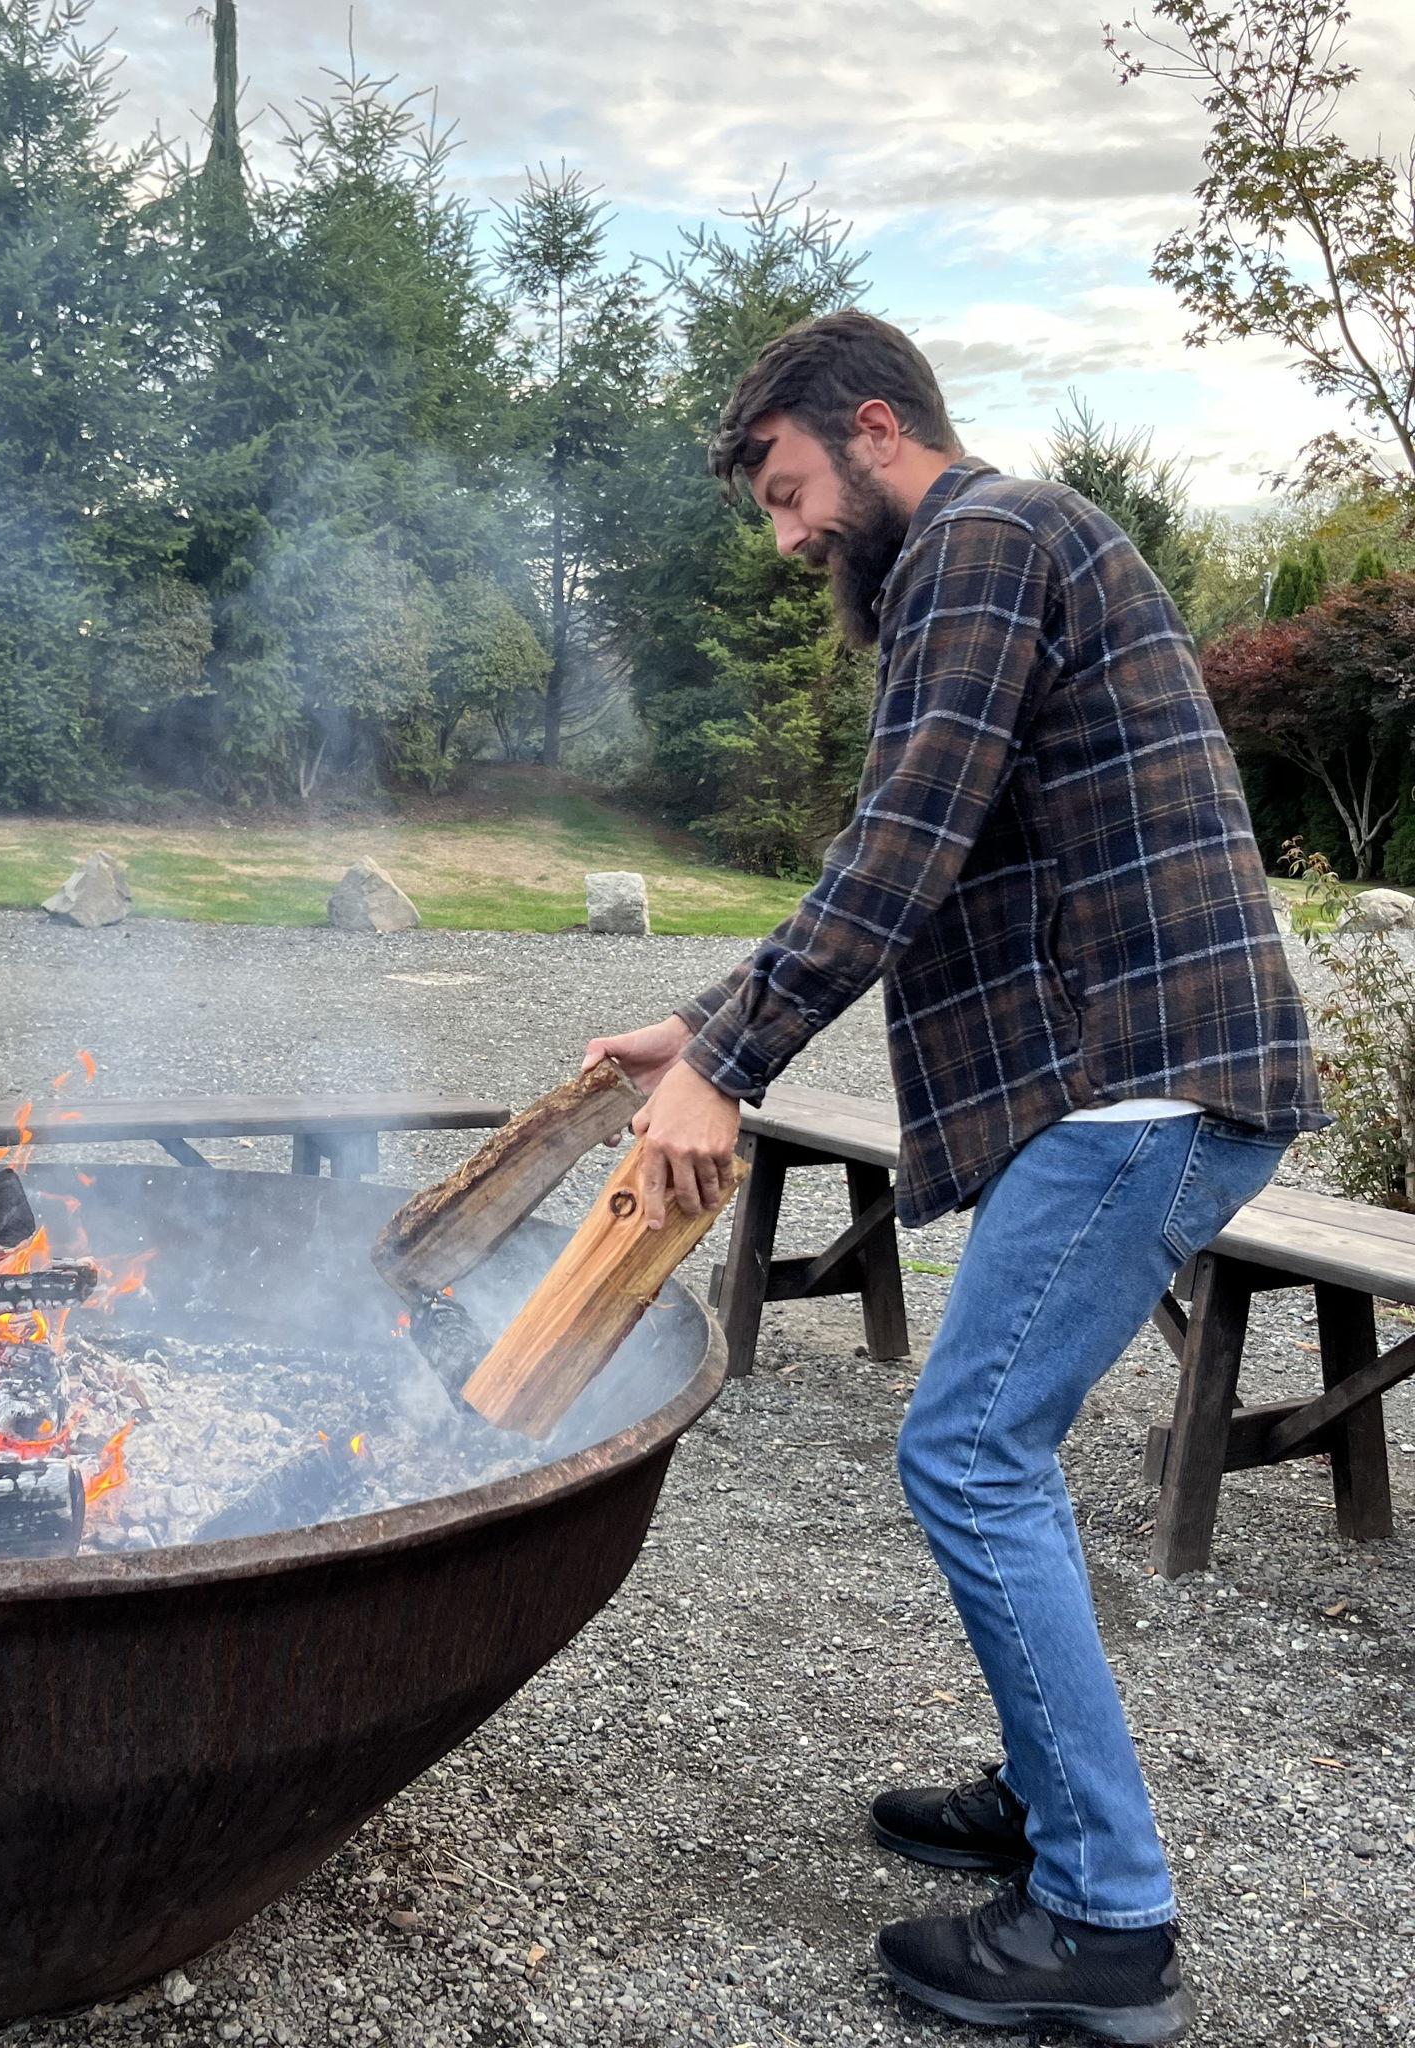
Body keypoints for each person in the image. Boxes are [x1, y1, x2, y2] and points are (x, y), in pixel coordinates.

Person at [582, 310, 1324, 2045]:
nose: (785, 539)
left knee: (969, 1446)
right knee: (993, 1447)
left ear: (871, 426)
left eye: (786, 492)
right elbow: (920, 848)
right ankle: (1049, 1795)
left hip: (1140, 1083)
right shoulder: (999, 557)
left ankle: (1106, 1917)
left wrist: (730, 1067)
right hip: (1126, 1080)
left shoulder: (985, 536)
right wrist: (695, 1023)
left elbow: (902, 842)